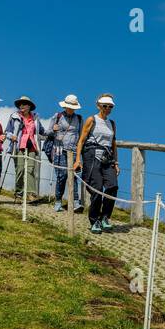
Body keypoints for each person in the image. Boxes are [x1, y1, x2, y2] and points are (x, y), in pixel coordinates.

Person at [74, 95, 120, 234]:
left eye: (110, 106)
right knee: (97, 188)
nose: (108, 109)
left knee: (113, 186)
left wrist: (116, 162)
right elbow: (81, 140)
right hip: (91, 155)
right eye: (105, 106)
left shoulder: (112, 123)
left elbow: (113, 143)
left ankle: (105, 217)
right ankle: (94, 220)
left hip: (107, 157)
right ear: (98, 106)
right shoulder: (91, 120)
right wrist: (77, 160)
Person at [44, 95, 83, 213]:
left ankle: (75, 202)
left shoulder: (80, 119)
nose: (71, 109)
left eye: (73, 107)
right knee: (62, 176)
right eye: (69, 107)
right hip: (58, 151)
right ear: (65, 106)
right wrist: (53, 130)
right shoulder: (57, 116)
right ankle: (58, 201)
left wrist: (79, 156)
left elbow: (81, 137)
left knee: (74, 176)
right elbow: (47, 132)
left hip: (73, 151)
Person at [4, 95, 44, 203]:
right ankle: (19, 193)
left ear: (29, 106)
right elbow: (7, 131)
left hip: (31, 146)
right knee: (20, 170)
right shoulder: (14, 117)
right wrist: (11, 136)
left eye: (24, 104)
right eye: (20, 104)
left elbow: (42, 131)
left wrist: (53, 132)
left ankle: (31, 194)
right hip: (18, 146)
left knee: (30, 170)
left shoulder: (35, 118)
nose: (21, 106)